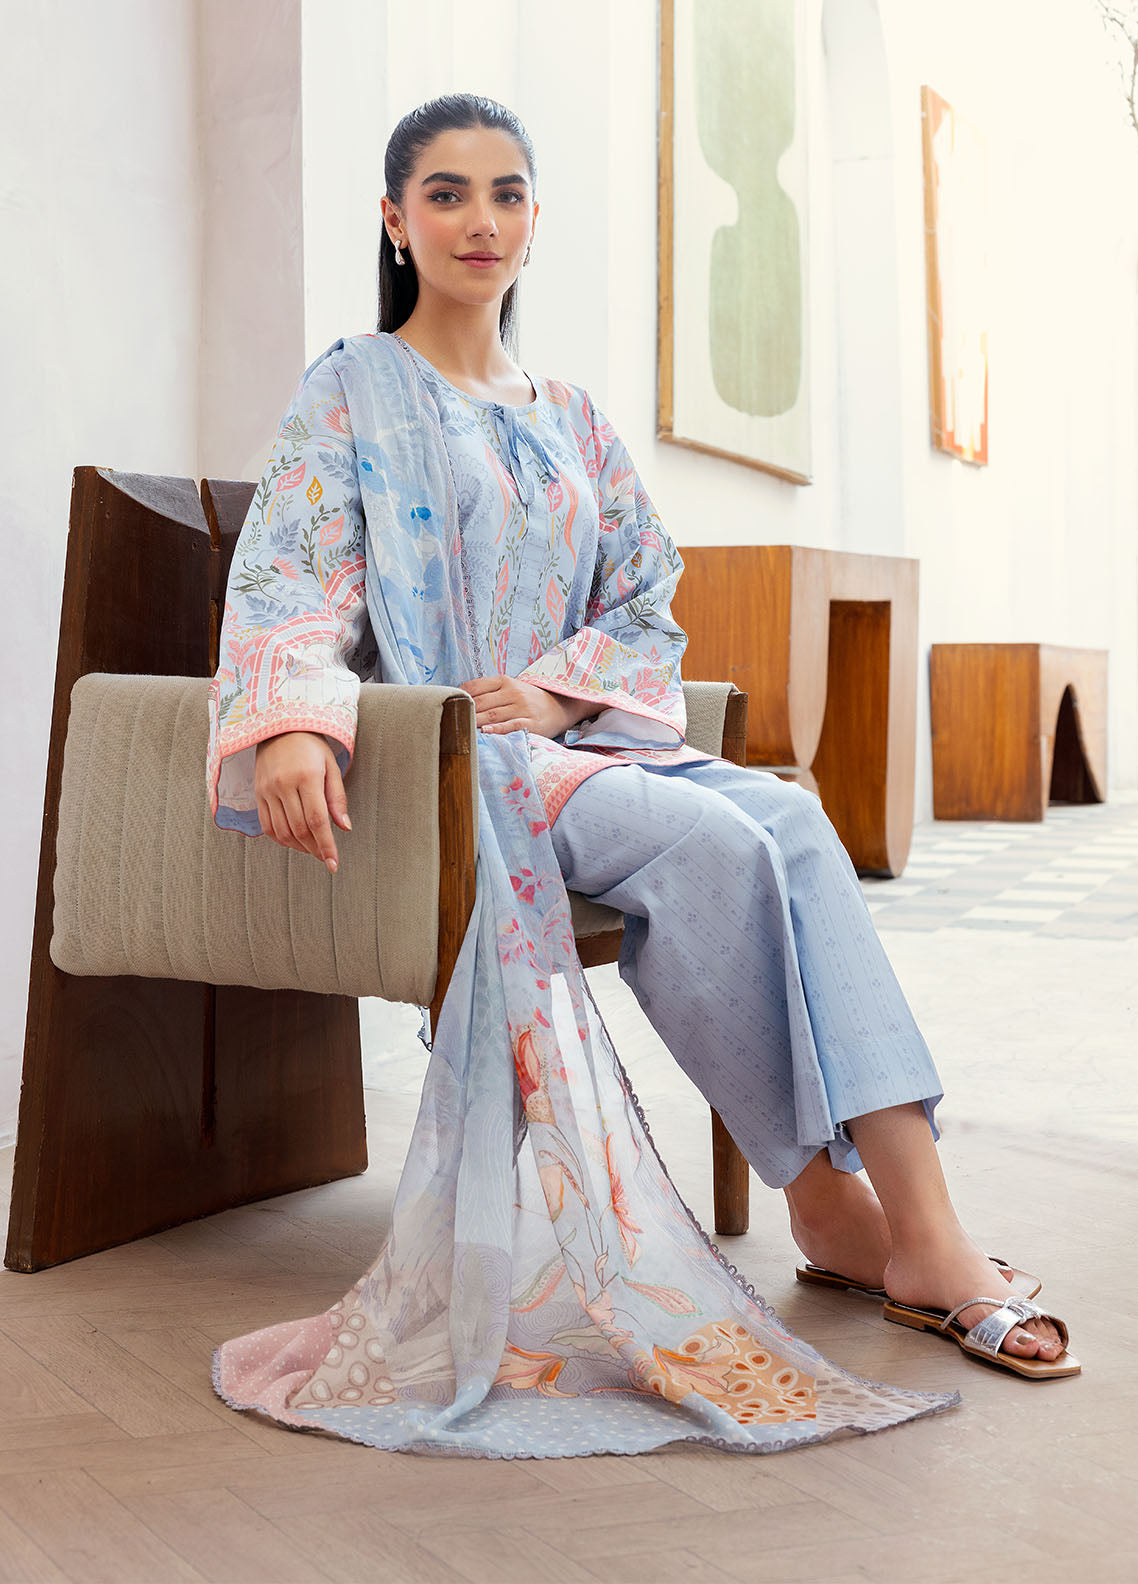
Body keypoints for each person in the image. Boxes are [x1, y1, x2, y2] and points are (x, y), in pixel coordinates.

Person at [206, 94, 1076, 1460]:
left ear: (534, 219)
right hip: (463, 760)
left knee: (794, 820)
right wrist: (294, 725)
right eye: (445, 193)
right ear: (394, 220)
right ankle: (825, 1202)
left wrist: (562, 689)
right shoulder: (351, 390)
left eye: (506, 192)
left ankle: (919, 1227)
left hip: (576, 732)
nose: (480, 220)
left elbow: (645, 595)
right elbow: (287, 575)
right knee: (710, 846)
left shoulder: (572, 418)